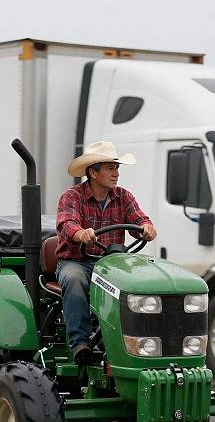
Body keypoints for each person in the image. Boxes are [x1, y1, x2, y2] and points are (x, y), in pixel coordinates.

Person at [55, 141, 157, 365]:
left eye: (117, 168)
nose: (116, 173)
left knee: (141, 284)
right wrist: (80, 234)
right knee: (73, 279)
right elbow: (67, 223)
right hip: (77, 261)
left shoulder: (124, 197)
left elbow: (140, 220)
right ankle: (81, 344)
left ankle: (140, 345)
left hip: (112, 266)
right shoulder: (72, 196)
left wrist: (147, 229)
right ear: (93, 171)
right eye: (111, 168)